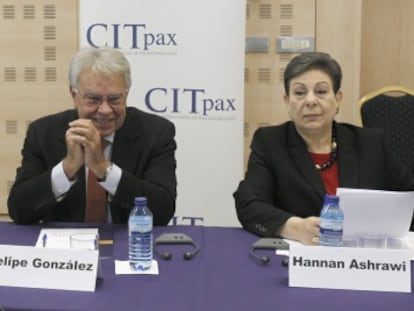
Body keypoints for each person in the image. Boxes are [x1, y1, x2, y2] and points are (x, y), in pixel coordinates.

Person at [234, 52, 414, 245]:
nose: (311, 101)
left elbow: (410, 196)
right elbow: (248, 203)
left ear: (338, 99)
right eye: (300, 93)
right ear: (287, 101)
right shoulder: (270, 142)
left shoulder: (371, 144)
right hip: (298, 260)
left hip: (363, 260)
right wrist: (294, 228)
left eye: (321, 92)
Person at [8, 47, 177, 225]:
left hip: (128, 243)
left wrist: (103, 169)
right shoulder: (43, 133)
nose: (105, 110)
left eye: (114, 99)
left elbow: (162, 211)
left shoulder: (156, 132)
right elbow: (19, 211)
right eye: (93, 99)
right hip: (64, 248)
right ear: (74, 95)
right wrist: (67, 168)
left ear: (126, 94)